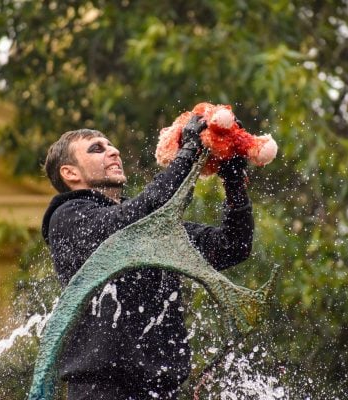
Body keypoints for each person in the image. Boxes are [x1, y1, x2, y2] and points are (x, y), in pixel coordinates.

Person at [41, 115, 254, 400]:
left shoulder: (153, 225)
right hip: (100, 390)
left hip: (163, 390)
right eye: (97, 149)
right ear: (70, 173)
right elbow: (130, 220)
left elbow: (232, 246)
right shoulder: (67, 217)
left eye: (111, 145)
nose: (113, 151)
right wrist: (188, 152)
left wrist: (233, 179)